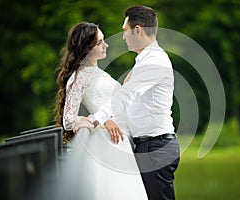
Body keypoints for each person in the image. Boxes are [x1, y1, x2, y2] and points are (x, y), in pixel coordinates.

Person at [75, 5, 180, 200]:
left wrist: (94, 120)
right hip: (150, 146)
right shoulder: (144, 61)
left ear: (137, 30)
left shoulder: (153, 62)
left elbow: (124, 97)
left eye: (125, 31)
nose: (123, 37)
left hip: (155, 147)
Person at [54, 22, 148, 200]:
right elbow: (68, 119)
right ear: (86, 48)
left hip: (122, 141)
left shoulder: (102, 74)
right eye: (99, 43)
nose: (106, 45)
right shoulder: (79, 76)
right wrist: (102, 120)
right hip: (106, 142)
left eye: (103, 40)